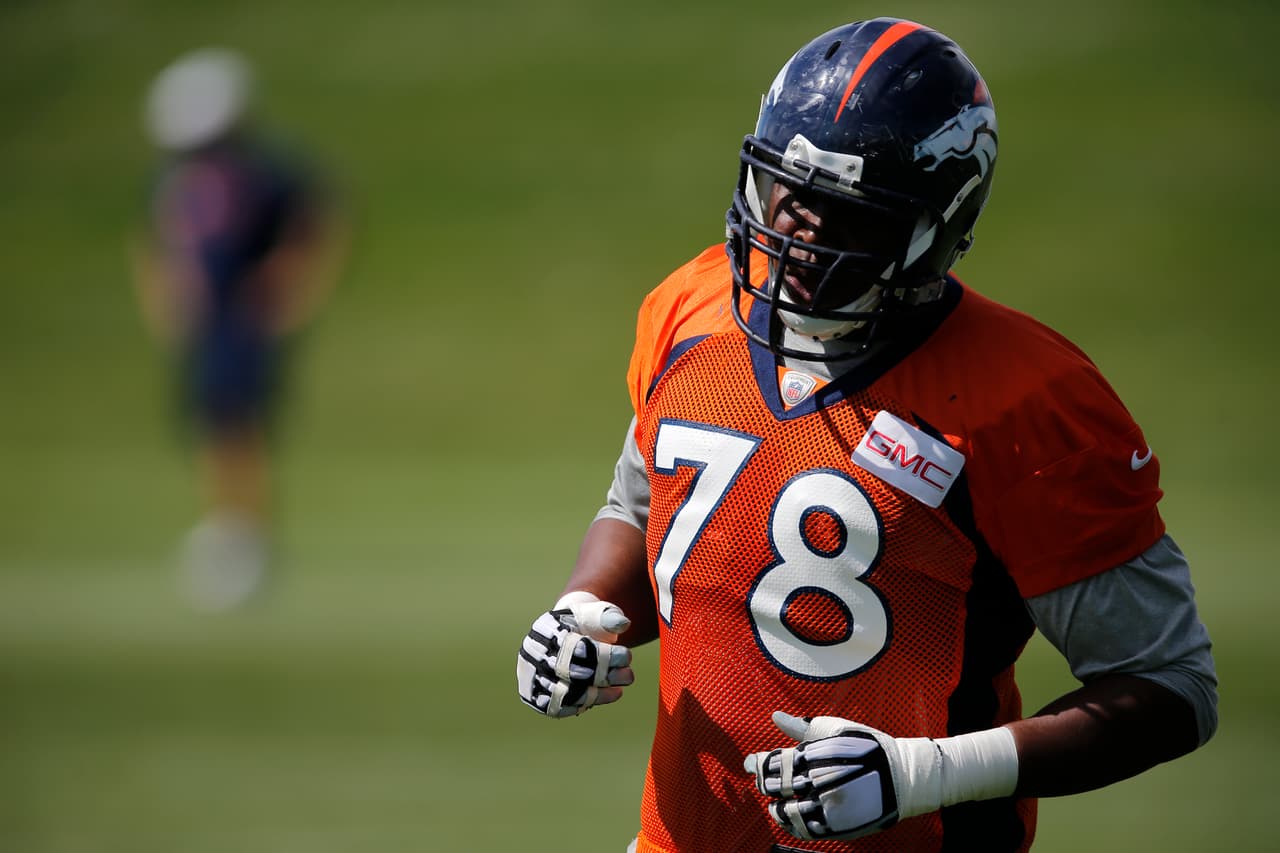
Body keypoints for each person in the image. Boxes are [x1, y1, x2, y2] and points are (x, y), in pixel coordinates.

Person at [515, 16, 1219, 852]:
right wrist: (582, 614)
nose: (801, 230)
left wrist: (924, 773)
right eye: (789, 191)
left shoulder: (1030, 398)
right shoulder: (692, 307)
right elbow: (644, 509)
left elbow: (1169, 688)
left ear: (934, 228)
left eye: (849, 214)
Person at [131, 47, 345, 610]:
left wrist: (289, 286)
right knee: (211, 422)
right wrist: (167, 297)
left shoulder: (265, 172)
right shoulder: (177, 177)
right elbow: (159, 243)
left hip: (243, 320)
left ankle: (243, 537)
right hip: (209, 321)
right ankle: (227, 528)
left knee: (237, 424)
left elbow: (315, 221)